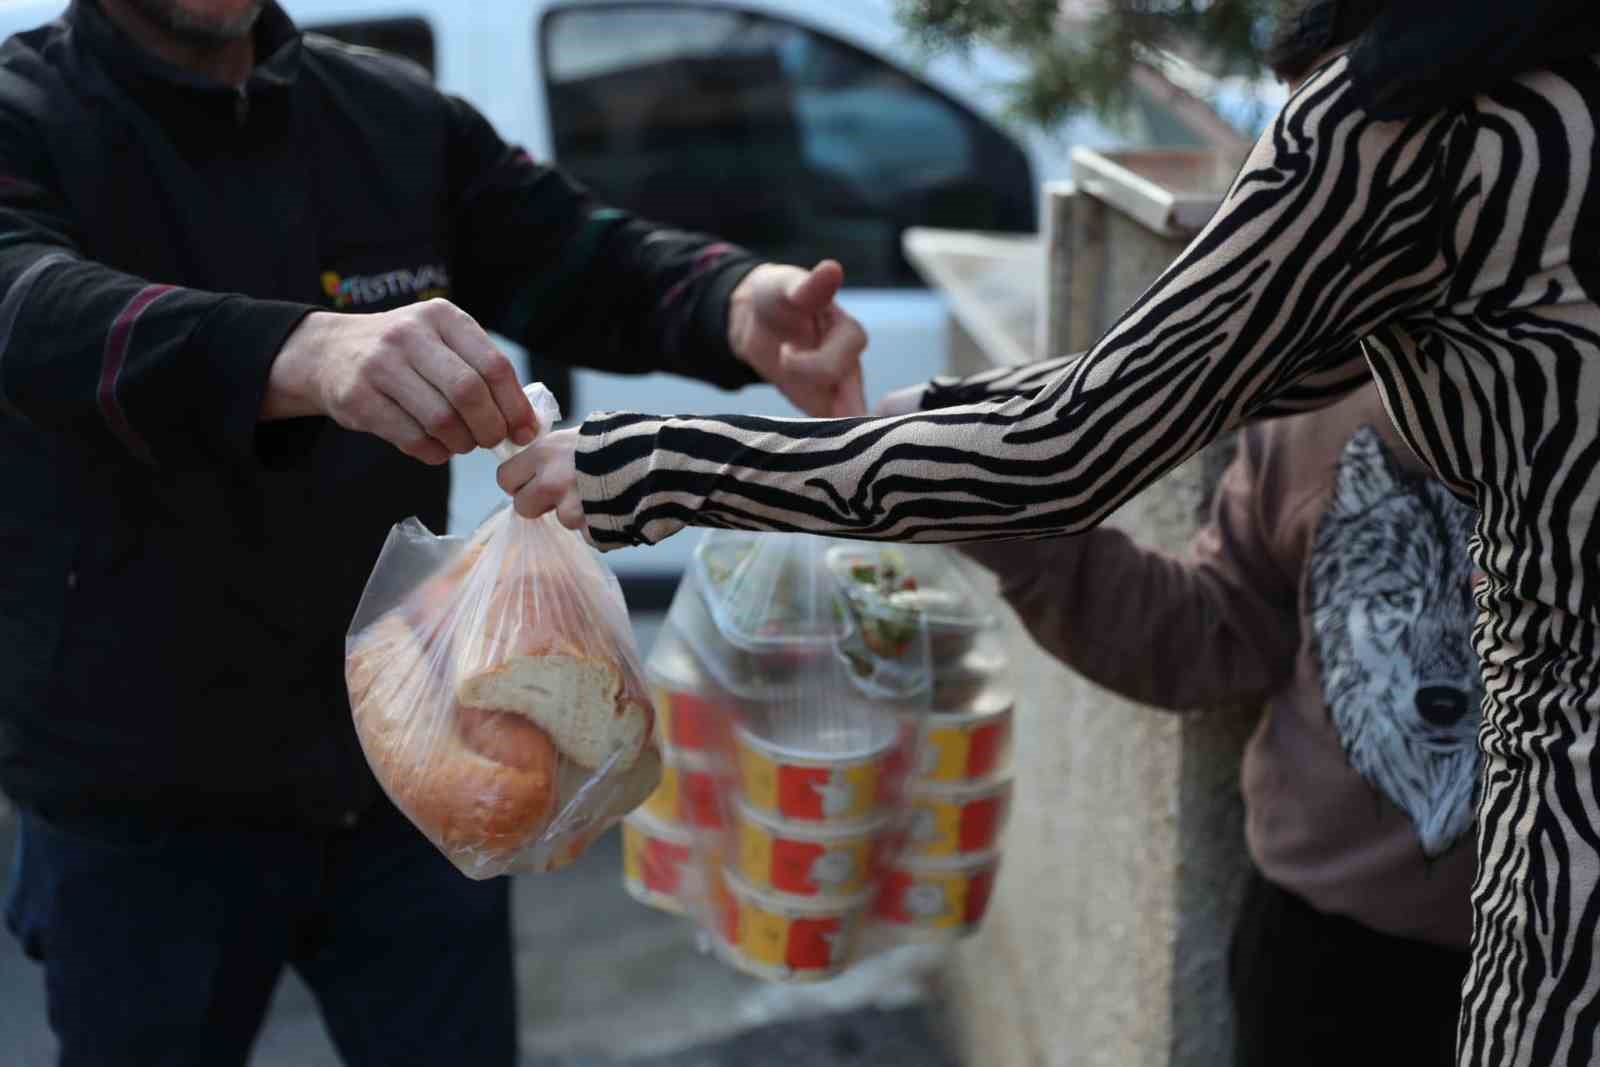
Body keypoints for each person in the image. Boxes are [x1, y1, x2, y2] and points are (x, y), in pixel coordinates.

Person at [503, 2, 1600, 1063]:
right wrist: (932, 417)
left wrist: (650, 465)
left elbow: (1075, 442)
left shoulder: (1406, 117)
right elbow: (1194, 382)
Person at [0, 1, 866, 1064]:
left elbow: (580, 253)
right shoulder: (25, 116)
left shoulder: (386, 115)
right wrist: (299, 352)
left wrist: (730, 301)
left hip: (421, 762)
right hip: (136, 802)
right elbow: (30, 308)